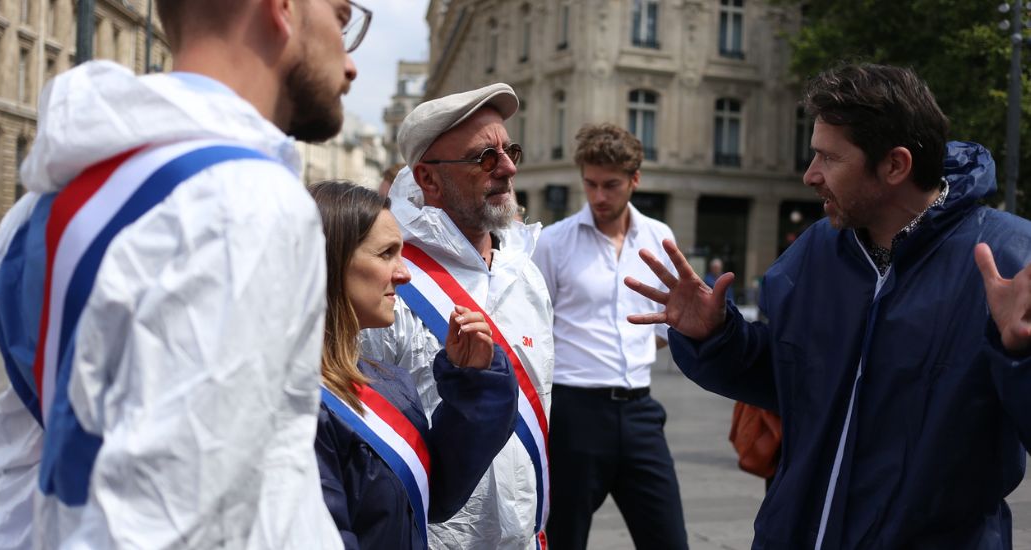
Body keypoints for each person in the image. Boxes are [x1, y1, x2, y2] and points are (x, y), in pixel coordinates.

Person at [0, 0, 370, 547]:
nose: (351, 65)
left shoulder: (38, 204)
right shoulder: (247, 202)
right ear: (282, 9)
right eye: (342, 19)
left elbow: (24, 452)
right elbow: (176, 522)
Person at [625, 63, 1031, 548]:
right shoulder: (817, 250)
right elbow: (785, 376)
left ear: (895, 165)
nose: (810, 174)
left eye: (828, 158)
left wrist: (1020, 357)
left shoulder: (1009, 259)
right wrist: (717, 336)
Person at [361, 83, 554, 549]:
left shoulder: (526, 272)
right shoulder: (392, 278)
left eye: (511, 151)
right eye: (485, 158)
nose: (508, 168)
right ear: (428, 179)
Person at [307, 181, 518, 549]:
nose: (404, 274)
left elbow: (434, 495)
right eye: (386, 253)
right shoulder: (292, 405)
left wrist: (475, 384)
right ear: (330, 259)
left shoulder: (389, 381)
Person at [531, 123, 688, 550]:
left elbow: (662, 327)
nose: (599, 196)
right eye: (591, 184)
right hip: (574, 412)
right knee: (564, 540)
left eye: (611, 185)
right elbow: (535, 328)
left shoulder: (660, 239)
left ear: (635, 179)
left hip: (640, 411)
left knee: (670, 540)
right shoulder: (554, 242)